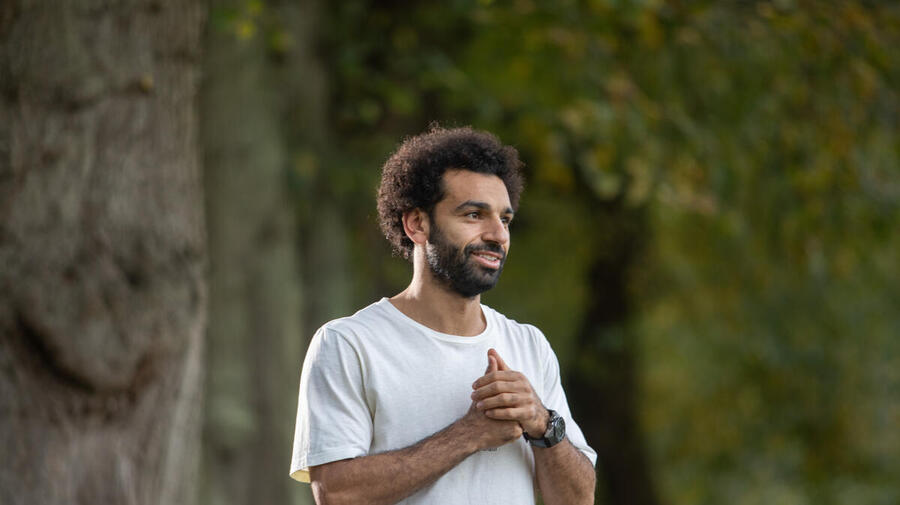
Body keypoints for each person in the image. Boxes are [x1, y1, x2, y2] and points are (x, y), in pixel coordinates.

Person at [290, 126, 597, 505]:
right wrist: (469, 434)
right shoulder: (349, 344)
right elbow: (336, 494)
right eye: (474, 214)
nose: (497, 234)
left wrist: (542, 423)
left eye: (505, 219)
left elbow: (578, 500)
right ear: (416, 224)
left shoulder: (529, 344)